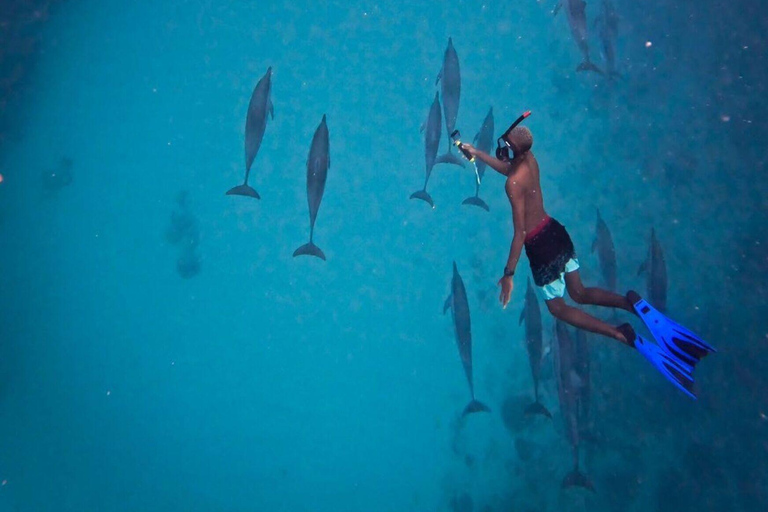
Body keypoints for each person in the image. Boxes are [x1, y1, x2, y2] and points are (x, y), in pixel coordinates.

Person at [459, 113, 716, 398]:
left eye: (506, 144)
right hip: (556, 233)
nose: (503, 148)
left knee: (558, 307)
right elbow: (510, 168)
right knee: (579, 292)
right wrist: (476, 152)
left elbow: (519, 232)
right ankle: (630, 303)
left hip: (539, 247)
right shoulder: (529, 161)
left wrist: (508, 275)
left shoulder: (511, 185)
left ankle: (619, 333)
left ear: (515, 149)